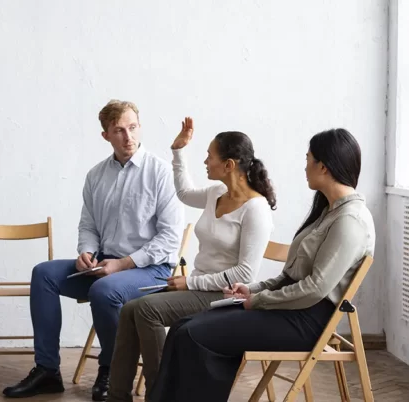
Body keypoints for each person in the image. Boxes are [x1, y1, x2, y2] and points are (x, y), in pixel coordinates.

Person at [147, 128, 375, 401]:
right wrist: (252, 290)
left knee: (194, 335)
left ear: (323, 166)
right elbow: (291, 276)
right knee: (184, 327)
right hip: (290, 307)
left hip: (304, 320)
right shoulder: (328, 211)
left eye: (308, 159)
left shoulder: (350, 221)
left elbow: (314, 289)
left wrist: (257, 301)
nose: (304, 166)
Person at [2, 100, 185, 401]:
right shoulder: (96, 175)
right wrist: (86, 252)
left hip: (151, 270)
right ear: (106, 136)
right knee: (43, 274)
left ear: (140, 126)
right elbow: (88, 225)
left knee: (104, 290)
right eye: (119, 131)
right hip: (104, 265)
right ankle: (47, 369)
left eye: (133, 127)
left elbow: (169, 239)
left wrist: (123, 264)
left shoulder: (161, 173)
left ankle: (112, 370)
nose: (128, 137)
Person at [107, 117, 276, 402]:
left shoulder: (256, 210)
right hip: (197, 288)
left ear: (229, 165)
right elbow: (184, 192)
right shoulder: (216, 193)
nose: (206, 161)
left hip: (224, 296)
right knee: (129, 310)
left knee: (147, 311)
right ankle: (116, 396)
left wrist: (191, 282)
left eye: (210, 156)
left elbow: (245, 274)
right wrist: (177, 151)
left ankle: (160, 394)